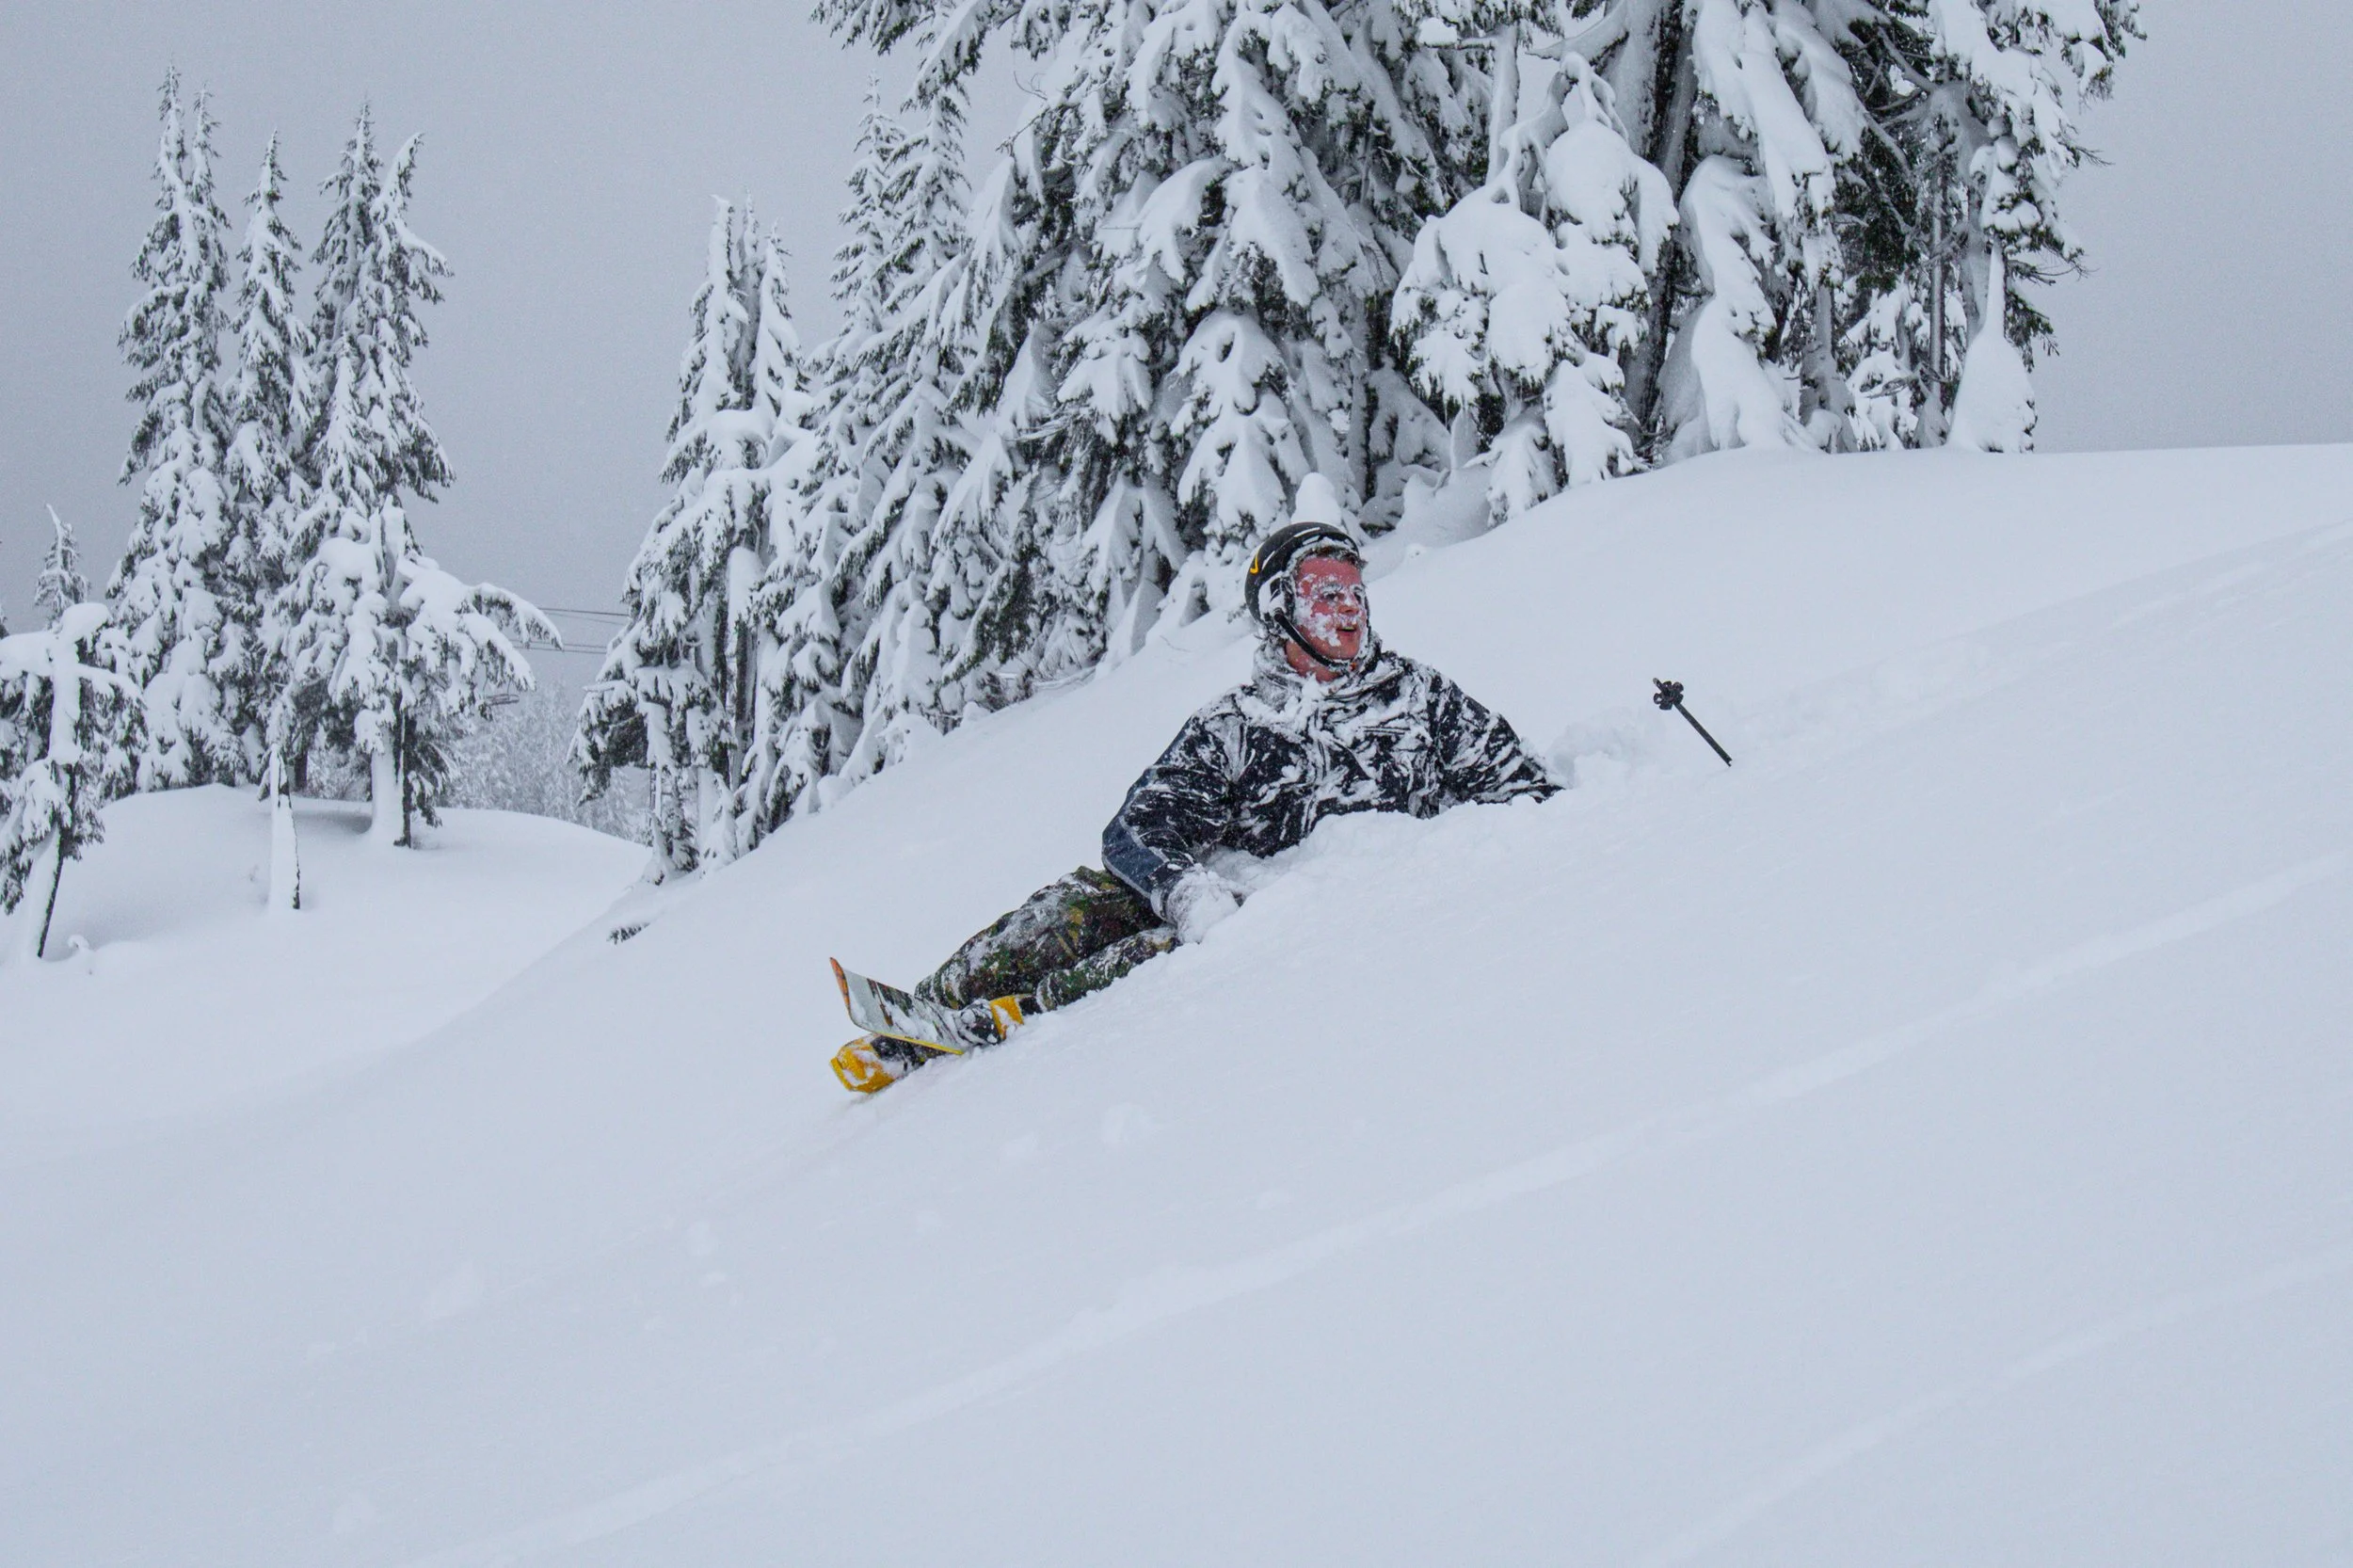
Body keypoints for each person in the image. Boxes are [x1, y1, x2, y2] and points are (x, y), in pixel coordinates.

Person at [831, 476, 1561, 1091]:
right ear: (1280, 609)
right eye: (1323, 591)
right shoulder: (1237, 725)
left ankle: (1028, 1012)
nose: (1348, 606)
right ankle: (924, 1012)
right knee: (1087, 901)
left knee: (1172, 950)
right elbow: (1137, 829)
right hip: (1226, 888)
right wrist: (1185, 888)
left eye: (1353, 590)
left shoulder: (1419, 699)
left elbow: (1520, 784)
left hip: (1309, 920)